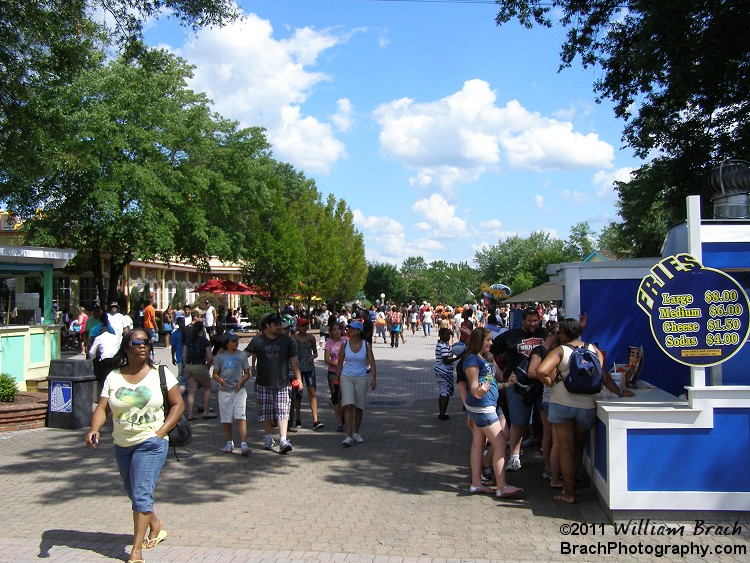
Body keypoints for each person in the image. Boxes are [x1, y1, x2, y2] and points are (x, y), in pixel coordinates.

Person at [85, 329, 184, 563]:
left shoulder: (161, 373)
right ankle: (156, 524)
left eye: (146, 342)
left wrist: (160, 433)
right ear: (126, 348)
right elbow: (102, 407)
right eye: (135, 342)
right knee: (134, 492)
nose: (141, 345)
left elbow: (178, 405)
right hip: (122, 443)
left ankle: (136, 551)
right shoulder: (114, 376)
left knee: (141, 493)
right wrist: (94, 429)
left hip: (151, 442)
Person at [536, 317, 633, 504]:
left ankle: (568, 492)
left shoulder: (560, 351)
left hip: (562, 403)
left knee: (565, 448)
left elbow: (541, 371)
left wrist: (553, 383)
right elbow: (604, 377)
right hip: (587, 405)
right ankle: (574, 481)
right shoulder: (593, 350)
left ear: (563, 333)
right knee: (578, 448)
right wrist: (620, 393)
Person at [463, 327, 522, 498]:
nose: (491, 342)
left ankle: (476, 484)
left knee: (478, 444)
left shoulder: (482, 358)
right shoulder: (472, 360)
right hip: (483, 408)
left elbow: (495, 381)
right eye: (488, 340)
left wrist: (506, 384)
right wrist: (479, 392)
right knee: (501, 444)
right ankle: (501, 486)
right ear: (479, 341)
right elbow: (474, 388)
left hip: (481, 408)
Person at [491, 307, 546, 472]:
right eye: (529, 320)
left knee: (544, 422)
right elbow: (490, 351)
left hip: (540, 383)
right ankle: (514, 457)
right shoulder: (510, 336)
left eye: (535, 320)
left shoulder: (544, 335)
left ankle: (547, 460)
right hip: (517, 385)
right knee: (518, 422)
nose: (532, 324)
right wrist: (498, 372)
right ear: (523, 320)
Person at [245, 313, 303, 454]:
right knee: (265, 412)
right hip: (263, 382)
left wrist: (299, 379)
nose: (279, 327)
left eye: (280, 324)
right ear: (267, 325)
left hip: (283, 382)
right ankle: (268, 437)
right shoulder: (257, 341)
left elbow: (294, 361)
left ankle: (283, 439)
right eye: (276, 324)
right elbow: (243, 355)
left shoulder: (287, 341)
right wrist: (227, 355)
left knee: (283, 411)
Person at [526, 321, 562, 488]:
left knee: (553, 434)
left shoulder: (556, 351)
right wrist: (549, 380)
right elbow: (532, 372)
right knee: (549, 433)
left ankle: (552, 467)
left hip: (551, 395)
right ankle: (548, 466)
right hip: (545, 395)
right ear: (551, 335)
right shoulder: (541, 350)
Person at [337, 320, 376, 446]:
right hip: (347, 377)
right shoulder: (345, 344)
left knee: (359, 407)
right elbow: (340, 363)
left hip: (361, 377)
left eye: (353, 329)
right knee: (348, 405)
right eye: (349, 329)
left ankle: (356, 432)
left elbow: (372, 363)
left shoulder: (366, 345)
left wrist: (374, 379)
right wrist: (338, 377)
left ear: (359, 331)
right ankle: (348, 435)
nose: (350, 331)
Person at [212, 332, 251, 455]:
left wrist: (241, 382)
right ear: (226, 342)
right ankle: (229, 442)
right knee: (226, 418)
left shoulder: (241, 355)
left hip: (239, 391)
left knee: (241, 416)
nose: (236, 343)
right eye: (233, 341)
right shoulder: (219, 356)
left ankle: (244, 444)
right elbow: (215, 374)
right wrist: (220, 380)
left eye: (236, 340)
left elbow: (246, 373)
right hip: (224, 391)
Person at [292, 318, 323, 429]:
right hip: (298, 369)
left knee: (312, 392)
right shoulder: (294, 338)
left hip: (309, 368)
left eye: (305, 325)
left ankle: (315, 419)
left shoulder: (311, 338)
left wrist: (313, 356)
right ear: (298, 327)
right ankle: (298, 419)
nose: (303, 328)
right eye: (301, 326)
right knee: (298, 394)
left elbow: (315, 352)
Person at [183, 320, 215, 420]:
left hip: (189, 366)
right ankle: (205, 411)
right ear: (202, 329)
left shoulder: (188, 340)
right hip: (200, 365)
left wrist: (186, 365)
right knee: (207, 388)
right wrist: (208, 366)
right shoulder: (205, 341)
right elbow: (209, 356)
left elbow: (184, 355)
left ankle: (190, 414)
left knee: (192, 391)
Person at [324, 322, 348, 432]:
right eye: (334, 329)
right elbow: (327, 360)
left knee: (346, 397)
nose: (337, 331)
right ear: (331, 332)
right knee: (335, 397)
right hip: (333, 373)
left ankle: (344, 416)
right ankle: (339, 422)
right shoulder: (329, 343)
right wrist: (338, 364)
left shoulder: (346, 340)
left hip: (346, 372)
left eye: (338, 329)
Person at [89, 313, 120, 395]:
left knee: (103, 378)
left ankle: (103, 394)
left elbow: (91, 352)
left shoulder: (99, 337)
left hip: (105, 360)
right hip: (116, 359)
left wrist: (92, 361)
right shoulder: (115, 336)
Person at [435, 327, 461, 421]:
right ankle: (442, 413)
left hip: (443, 371)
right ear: (441, 335)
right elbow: (445, 360)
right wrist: (458, 358)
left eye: (449, 335)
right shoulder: (442, 346)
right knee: (445, 392)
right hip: (443, 371)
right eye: (447, 335)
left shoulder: (443, 345)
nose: (448, 336)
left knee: (444, 392)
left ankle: (442, 412)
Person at [170, 317, 188, 394]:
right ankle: (180, 389)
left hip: (188, 356)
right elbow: (173, 346)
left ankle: (184, 387)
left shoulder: (188, 332)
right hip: (180, 356)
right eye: (181, 322)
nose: (183, 324)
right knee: (181, 373)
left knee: (186, 373)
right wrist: (172, 357)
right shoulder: (175, 334)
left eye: (183, 322)